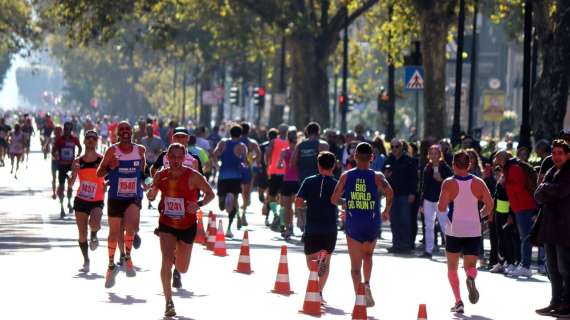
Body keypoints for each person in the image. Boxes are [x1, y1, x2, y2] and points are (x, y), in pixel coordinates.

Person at [147, 143, 215, 317]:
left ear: (184, 158)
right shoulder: (161, 175)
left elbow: (210, 194)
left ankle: (178, 255)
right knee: (166, 261)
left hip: (187, 225)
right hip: (166, 223)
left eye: (179, 157)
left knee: (182, 268)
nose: (176, 160)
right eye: (173, 157)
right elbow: (152, 193)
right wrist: (151, 194)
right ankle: (168, 302)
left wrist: (198, 204)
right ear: (167, 158)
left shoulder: (193, 176)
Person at [331, 142, 393, 307]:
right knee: (368, 256)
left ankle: (360, 296)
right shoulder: (377, 176)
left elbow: (333, 198)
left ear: (354, 157)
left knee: (354, 268)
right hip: (372, 223)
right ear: (372, 158)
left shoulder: (346, 176)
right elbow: (389, 191)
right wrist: (386, 210)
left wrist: (347, 203)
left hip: (354, 223)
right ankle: (367, 284)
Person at [437, 151, 494, 314]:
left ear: (453, 165)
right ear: (469, 165)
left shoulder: (448, 183)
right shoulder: (479, 182)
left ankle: (458, 301)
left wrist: (447, 208)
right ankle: (470, 277)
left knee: (452, 268)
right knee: (470, 266)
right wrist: (479, 215)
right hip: (473, 229)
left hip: (454, 229)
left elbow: (441, 207)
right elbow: (489, 205)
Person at [150, 127, 202, 289]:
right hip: (167, 204)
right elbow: (154, 171)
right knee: (170, 240)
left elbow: (198, 180)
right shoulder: (164, 156)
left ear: (188, 140)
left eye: (183, 137)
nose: (180, 139)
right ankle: (174, 269)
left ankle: (178, 270)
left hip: (186, 207)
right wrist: (157, 183)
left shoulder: (194, 159)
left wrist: (196, 201)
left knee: (180, 243)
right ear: (172, 139)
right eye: (177, 136)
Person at [97, 121, 146, 288]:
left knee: (131, 226)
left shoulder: (140, 150)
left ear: (132, 132)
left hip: (133, 196)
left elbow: (143, 172)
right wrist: (111, 167)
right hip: (115, 197)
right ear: (118, 133)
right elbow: (99, 173)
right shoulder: (112, 151)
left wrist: (147, 181)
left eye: (128, 129)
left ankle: (127, 257)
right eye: (122, 129)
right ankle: (111, 265)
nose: (125, 132)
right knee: (114, 232)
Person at [295, 151, 339, 303]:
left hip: (312, 228)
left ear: (318, 165)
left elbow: (299, 202)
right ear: (333, 166)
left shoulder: (308, 181)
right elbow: (339, 200)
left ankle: (316, 270)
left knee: (310, 261)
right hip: (330, 229)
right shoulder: (337, 183)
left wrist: (309, 205)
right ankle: (319, 292)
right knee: (326, 262)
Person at [534, 139, 570, 318]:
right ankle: (555, 301)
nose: (556, 156)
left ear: (567, 155)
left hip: (564, 228)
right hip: (549, 228)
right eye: (554, 153)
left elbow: (561, 191)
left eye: (560, 153)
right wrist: (547, 190)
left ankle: (567, 304)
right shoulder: (551, 170)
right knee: (553, 268)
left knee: (565, 268)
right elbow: (537, 194)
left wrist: (546, 188)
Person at [495, 149, 537, 277]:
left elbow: (518, 187)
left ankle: (525, 266)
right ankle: (523, 264)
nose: (497, 162)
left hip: (524, 206)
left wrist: (505, 182)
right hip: (519, 206)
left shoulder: (514, 168)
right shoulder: (509, 168)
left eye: (499, 159)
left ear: (504, 159)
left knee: (525, 237)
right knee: (523, 237)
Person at [68, 130, 106, 273]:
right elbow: (71, 184)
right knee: (82, 233)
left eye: (93, 139)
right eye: (88, 138)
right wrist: (74, 173)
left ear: (97, 142)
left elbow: (108, 177)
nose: (91, 140)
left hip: (97, 199)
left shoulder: (102, 159)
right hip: (81, 199)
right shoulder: (77, 161)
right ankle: (86, 260)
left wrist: (106, 184)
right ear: (84, 141)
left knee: (95, 223)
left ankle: (94, 234)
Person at [291, 122, 329, 232]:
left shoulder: (300, 145)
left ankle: (303, 223)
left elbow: (292, 163)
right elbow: (327, 163)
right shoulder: (323, 145)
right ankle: (311, 226)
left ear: (307, 132)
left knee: (302, 202)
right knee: (317, 203)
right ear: (318, 131)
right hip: (319, 179)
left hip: (303, 179)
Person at [384, 138, 418, 254]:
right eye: (392, 147)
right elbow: (383, 176)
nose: (394, 149)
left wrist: (413, 193)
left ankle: (407, 245)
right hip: (392, 195)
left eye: (397, 146)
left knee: (405, 221)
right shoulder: (389, 160)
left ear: (402, 147)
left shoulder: (409, 160)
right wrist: (385, 175)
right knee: (394, 221)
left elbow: (414, 178)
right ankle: (396, 244)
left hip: (405, 195)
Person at [213, 125, 247, 238]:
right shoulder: (242, 146)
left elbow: (214, 155)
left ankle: (223, 200)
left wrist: (217, 167)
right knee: (234, 200)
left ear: (230, 132)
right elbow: (245, 162)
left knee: (222, 206)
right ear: (240, 134)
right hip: (236, 177)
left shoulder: (223, 143)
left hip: (223, 176)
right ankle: (229, 228)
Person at [419, 145, 453, 258]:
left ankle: (451, 251)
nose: (433, 156)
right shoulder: (427, 167)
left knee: (444, 225)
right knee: (428, 226)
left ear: (439, 155)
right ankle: (428, 250)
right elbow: (423, 186)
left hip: (441, 200)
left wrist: (441, 180)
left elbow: (452, 182)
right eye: (431, 153)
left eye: (435, 153)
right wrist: (421, 203)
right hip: (428, 200)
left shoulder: (445, 167)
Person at [53, 122, 83, 216]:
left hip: (70, 166)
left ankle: (69, 202)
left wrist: (77, 156)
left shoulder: (74, 139)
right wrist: (56, 157)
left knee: (70, 186)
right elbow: (53, 151)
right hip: (62, 166)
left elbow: (80, 148)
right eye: (66, 129)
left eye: (69, 129)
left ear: (71, 130)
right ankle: (62, 208)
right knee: (61, 187)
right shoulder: (59, 140)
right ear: (64, 129)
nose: (67, 131)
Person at [265, 124, 289, 231]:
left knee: (272, 196)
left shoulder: (274, 141)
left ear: (279, 131)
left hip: (274, 172)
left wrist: (268, 164)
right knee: (283, 197)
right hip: (286, 173)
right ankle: (280, 217)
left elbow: (267, 154)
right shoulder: (291, 142)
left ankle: (275, 214)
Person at [238, 122, 261, 228]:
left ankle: (238, 214)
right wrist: (250, 160)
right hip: (247, 169)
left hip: (236, 169)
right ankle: (243, 215)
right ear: (249, 130)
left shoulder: (236, 141)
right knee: (246, 193)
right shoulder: (252, 142)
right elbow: (259, 154)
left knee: (235, 192)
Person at [279, 128, 299, 239]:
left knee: (287, 207)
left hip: (287, 180)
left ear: (288, 140)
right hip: (297, 181)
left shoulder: (284, 152)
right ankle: (293, 225)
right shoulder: (299, 151)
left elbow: (279, 165)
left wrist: (283, 166)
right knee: (295, 206)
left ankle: (288, 228)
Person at [141, 125, 163, 209]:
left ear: (153, 130)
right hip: (146, 163)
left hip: (155, 163)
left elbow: (162, 149)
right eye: (148, 130)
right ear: (146, 131)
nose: (149, 131)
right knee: (148, 182)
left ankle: (152, 199)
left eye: (150, 129)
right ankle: (149, 202)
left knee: (154, 182)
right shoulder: (143, 140)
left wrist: (157, 150)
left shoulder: (158, 139)